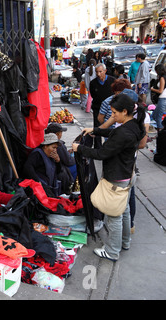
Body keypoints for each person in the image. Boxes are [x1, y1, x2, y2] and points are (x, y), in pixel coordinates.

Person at [72, 93, 146, 262]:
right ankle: (125, 242)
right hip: (128, 175)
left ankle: (112, 251)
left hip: (117, 179)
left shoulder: (124, 133)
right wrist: (96, 130)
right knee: (124, 210)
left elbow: (102, 153)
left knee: (113, 217)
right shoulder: (134, 125)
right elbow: (113, 133)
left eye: (114, 112)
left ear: (125, 111)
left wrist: (79, 148)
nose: (112, 115)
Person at [89, 63, 116, 148]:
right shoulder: (93, 83)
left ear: (105, 71)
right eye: (97, 72)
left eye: (100, 71)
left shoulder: (112, 81)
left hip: (111, 109)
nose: (98, 74)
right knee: (97, 127)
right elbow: (93, 95)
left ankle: (109, 146)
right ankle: (98, 147)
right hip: (98, 108)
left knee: (110, 126)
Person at [150, 63, 166, 132]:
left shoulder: (162, 78)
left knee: (158, 116)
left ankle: (160, 131)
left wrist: (152, 89)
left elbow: (160, 91)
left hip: (163, 98)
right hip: (163, 98)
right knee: (155, 115)